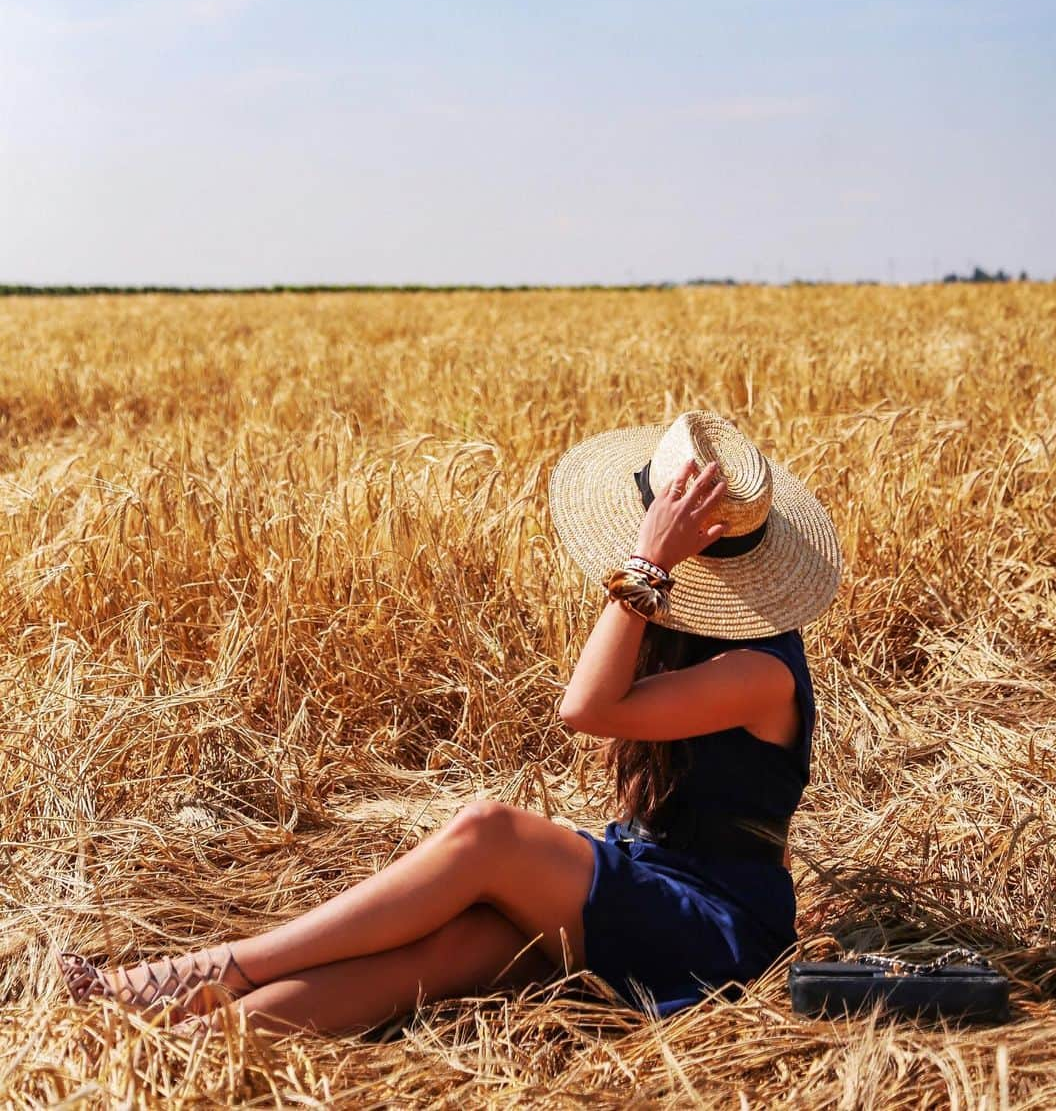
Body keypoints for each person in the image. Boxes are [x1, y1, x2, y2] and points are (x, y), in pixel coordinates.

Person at [59, 409, 842, 1035]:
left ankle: (221, 968)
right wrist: (651, 579)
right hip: (651, 876)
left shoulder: (761, 671)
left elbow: (586, 710)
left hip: (715, 924)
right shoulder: (693, 639)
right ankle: (181, 1042)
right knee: (444, 951)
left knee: (488, 833)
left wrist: (647, 568)